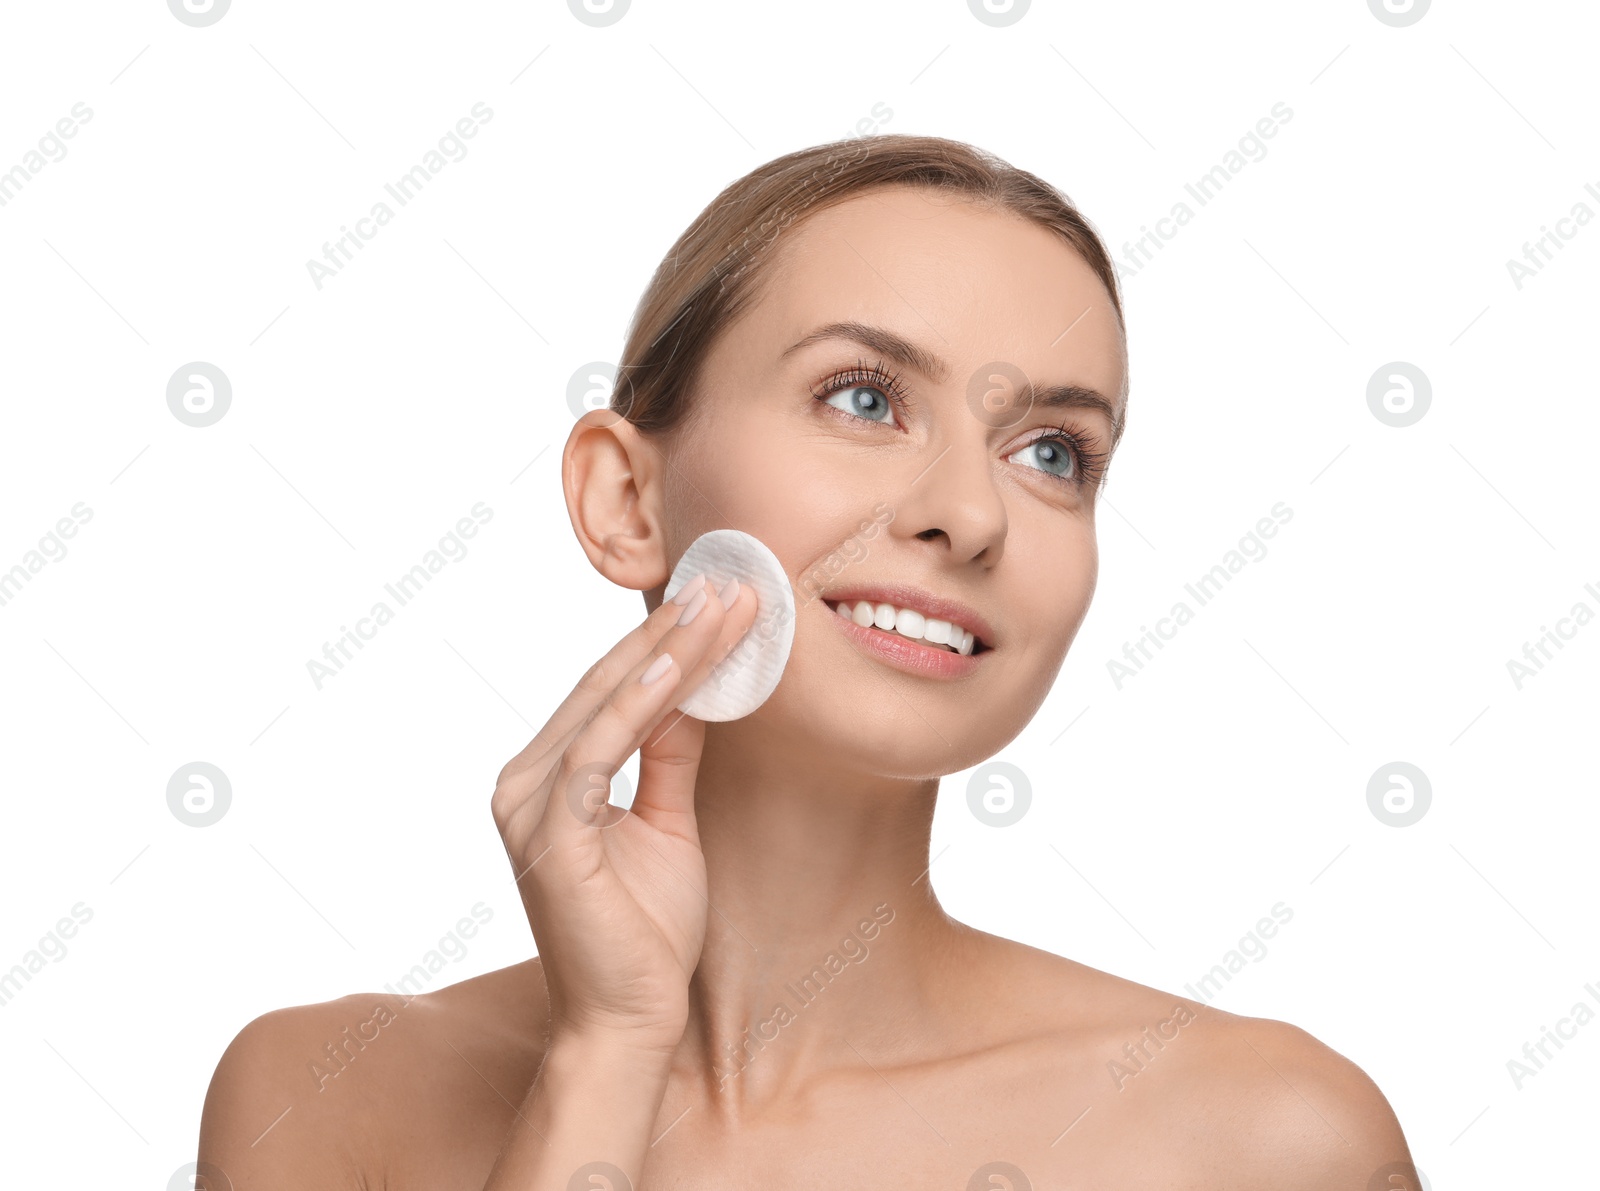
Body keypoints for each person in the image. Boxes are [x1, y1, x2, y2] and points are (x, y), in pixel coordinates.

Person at [197, 134, 1417, 1189]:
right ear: (626, 499)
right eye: (865, 398)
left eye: (1052, 452)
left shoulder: (1268, 1139)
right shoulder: (322, 1097)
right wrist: (607, 1052)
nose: (972, 515)